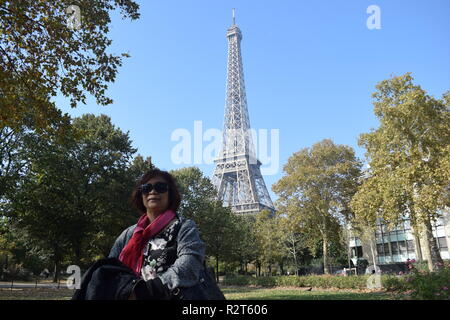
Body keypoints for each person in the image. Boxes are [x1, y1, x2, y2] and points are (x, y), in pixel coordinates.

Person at [107, 168, 206, 299]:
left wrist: (145, 291)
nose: (153, 191)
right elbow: (110, 268)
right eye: (146, 188)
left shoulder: (184, 227)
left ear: (170, 194)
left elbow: (190, 265)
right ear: (141, 195)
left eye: (160, 187)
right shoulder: (128, 234)